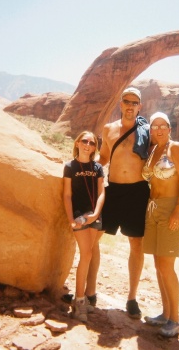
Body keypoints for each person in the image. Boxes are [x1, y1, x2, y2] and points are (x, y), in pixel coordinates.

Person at [86, 87, 179, 320]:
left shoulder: (146, 131)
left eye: (134, 102)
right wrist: (85, 165)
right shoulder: (109, 129)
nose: (130, 105)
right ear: (121, 103)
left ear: (139, 107)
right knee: (93, 238)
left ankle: (132, 298)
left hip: (137, 192)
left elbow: (164, 150)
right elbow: (104, 157)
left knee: (136, 245)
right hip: (113, 190)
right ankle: (90, 292)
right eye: (126, 101)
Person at [142, 112, 179, 337]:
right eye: (155, 126)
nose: (159, 129)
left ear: (170, 128)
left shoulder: (175, 147)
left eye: (163, 125)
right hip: (153, 208)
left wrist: (178, 209)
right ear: (151, 130)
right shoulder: (153, 151)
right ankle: (165, 313)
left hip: (171, 208)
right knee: (159, 265)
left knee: (167, 267)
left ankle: (175, 320)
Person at [63, 131, 105, 323]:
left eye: (92, 142)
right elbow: (67, 195)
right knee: (86, 254)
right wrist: (71, 218)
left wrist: (96, 213)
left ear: (95, 147)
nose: (88, 144)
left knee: (89, 254)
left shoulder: (97, 168)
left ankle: (82, 298)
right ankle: (79, 300)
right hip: (79, 216)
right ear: (78, 143)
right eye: (85, 141)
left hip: (94, 215)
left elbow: (102, 192)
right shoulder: (70, 167)